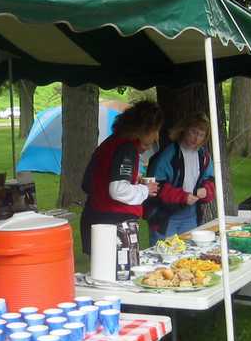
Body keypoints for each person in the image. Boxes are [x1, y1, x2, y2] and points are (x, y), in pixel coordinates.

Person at [80, 100, 162, 255]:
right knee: (120, 274)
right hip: (115, 223)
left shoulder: (110, 143)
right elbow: (117, 190)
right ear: (147, 129)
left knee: (102, 273)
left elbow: (88, 183)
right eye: (156, 131)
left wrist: (131, 182)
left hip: (95, 217)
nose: (156, 137)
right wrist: (144, 189)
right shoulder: (126, 148)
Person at [144, 114, 215, 246]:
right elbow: (156, 186)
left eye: (201, 134)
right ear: (184, 129)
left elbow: (210, 179)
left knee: (189, 255)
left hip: (191, 215)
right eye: (193, 132)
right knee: (165, 254)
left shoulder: (203, 156)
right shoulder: (168, 155)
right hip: (165, 217)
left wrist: (206, 190)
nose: (196, 138)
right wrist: (182, 197)